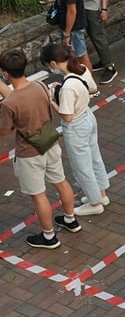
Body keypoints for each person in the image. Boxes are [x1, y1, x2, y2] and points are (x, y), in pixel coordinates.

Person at [0, 49, 81, 249]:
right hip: (50, 143)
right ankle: (71, 219)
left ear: (5, 73)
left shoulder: (9, 103)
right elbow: (23, 98)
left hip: (29, 153)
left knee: (38, 194)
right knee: (61, 182)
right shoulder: (40, 86)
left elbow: (5, 130)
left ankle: (48, 236)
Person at [39, 43, 108, 216]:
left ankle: (94, 203)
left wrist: (51, 100)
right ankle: (101, 194)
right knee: (94, 158)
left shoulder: (68, 87)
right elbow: (92, 88)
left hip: (76, 126)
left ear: (53, 64)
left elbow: (66, 115)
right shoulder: (82, 69)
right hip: (88, 117)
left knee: (82, 166)